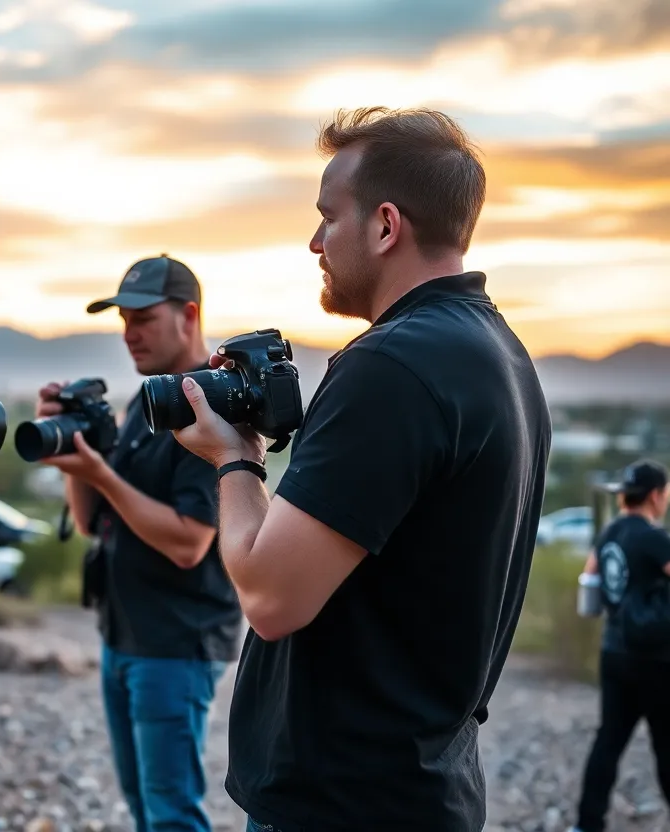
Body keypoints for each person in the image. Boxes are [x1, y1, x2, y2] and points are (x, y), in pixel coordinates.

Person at [171, 106, 552, 830]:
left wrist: (236, 458)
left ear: (385, 225)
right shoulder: (501, 354)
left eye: (327, 218)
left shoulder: (391, 366)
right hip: (425, 784)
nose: (314, 242)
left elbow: (270, 596)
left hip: (345, 800)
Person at [35, 255, 241, 832]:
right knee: (144, 805)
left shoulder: (212, 411)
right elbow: (88, 521)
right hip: (122, 635)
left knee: (171, 814)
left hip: (176, 641)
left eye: (144, 318)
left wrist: (103, 475)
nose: (130, 333)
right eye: (123, 319)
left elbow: (188, 543)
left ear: (189, 315)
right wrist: (73, 457)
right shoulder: (146, 406)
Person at [569, 460, 670, 832]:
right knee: (666, 745)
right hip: (656, 659)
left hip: (614, 652)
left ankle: (586, 823)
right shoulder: (654, 537)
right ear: (656, 495)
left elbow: (590, 581)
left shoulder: (609, 532)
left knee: (608, 741)